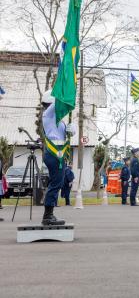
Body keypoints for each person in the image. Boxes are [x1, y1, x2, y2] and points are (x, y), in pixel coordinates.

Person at [40, 90, 75, 225]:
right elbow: (58, 102)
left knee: (57, 183)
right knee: (56, 184)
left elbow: (62, 135)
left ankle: (49, 214)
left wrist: (70, 129)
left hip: (59, 155)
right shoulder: (47, 114)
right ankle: (47, 216)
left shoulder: (58, 119)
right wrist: (65, 89)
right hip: (53, 154)